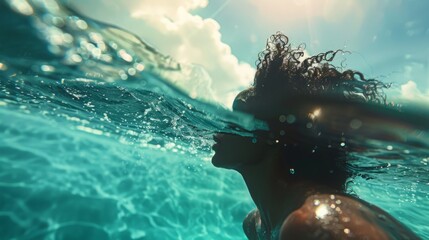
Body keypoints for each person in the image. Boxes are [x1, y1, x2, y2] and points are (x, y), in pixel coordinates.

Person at [211, 33, 420, 240]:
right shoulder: (256, 227)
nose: (223, 125)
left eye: (238, 117)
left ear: (274, 136)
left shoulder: (310, 224)